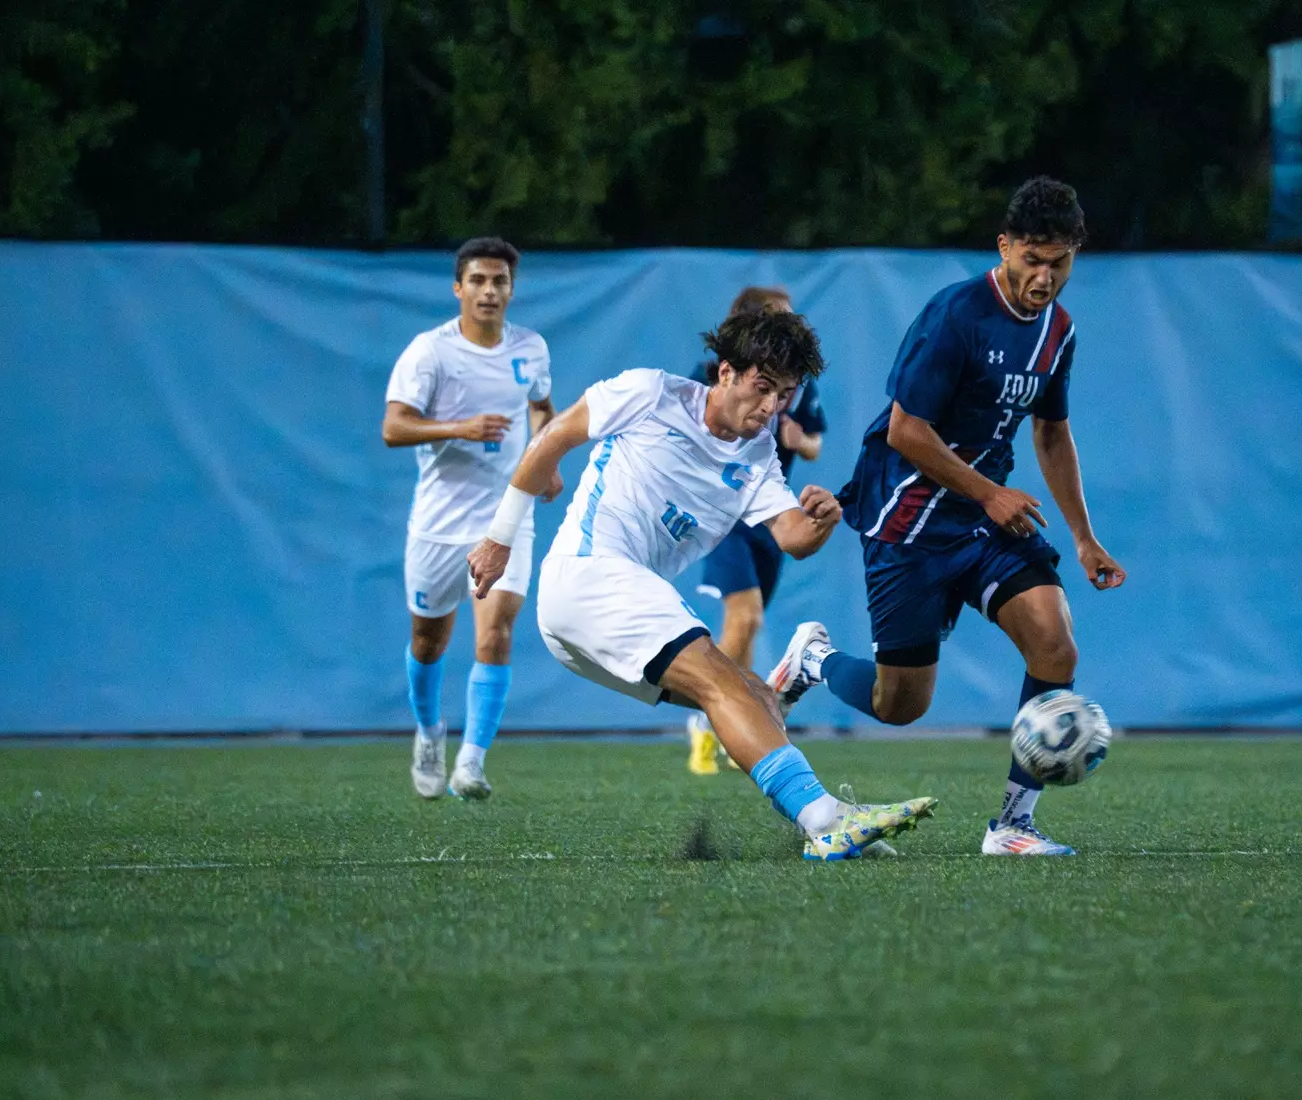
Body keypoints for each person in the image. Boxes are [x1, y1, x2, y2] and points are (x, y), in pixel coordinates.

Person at [465, 309, 936, 860]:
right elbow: (556, 434)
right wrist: (499, 537)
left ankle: (816, 816)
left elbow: (792, 537)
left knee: (757, 701)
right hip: (588, 576)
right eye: (762, 388)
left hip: (599, 616)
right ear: (727, 372)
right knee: (724, 684)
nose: (770, 408)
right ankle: (826, 818)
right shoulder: (649, 393)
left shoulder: (758, 454)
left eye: (784, 395)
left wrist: (823, 520)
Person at [767, 177, 1126, 856]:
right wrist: (989, 492)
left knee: (1055, 643)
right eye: (1032, 261)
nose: (1044, 279)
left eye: (1060, 263)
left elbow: (1051, 434)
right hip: (907, 521)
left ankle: (1012, 826)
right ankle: (813, 660)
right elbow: (906, 431)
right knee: (900, 705)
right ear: (1004, 247)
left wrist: (1084, 538)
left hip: (985, 523)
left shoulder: (1058, 332)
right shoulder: (956, 314)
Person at [382, 237, 554, 801]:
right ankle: (430, 733)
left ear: (511, 289)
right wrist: (459, 427)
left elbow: (541, 407)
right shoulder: (429, 352)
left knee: (497, 632)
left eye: (499, 281)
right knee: (429, 642)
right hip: (438, 521)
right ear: (458, 288)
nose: (488, 291)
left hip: (505, 515)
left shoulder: (531, 349)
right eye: (477, 280)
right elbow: (394, 427)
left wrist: (545, 458)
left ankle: (472, 763)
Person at [684, 286, 828, 776]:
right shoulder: (711, 378)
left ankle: (726, 718)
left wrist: (799, 441)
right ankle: (713, 716)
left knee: (748, 625)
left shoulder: (799, 384)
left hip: (771, 511)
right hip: (726, 515)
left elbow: (813, 443)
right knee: (743, 619)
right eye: (780, 318)